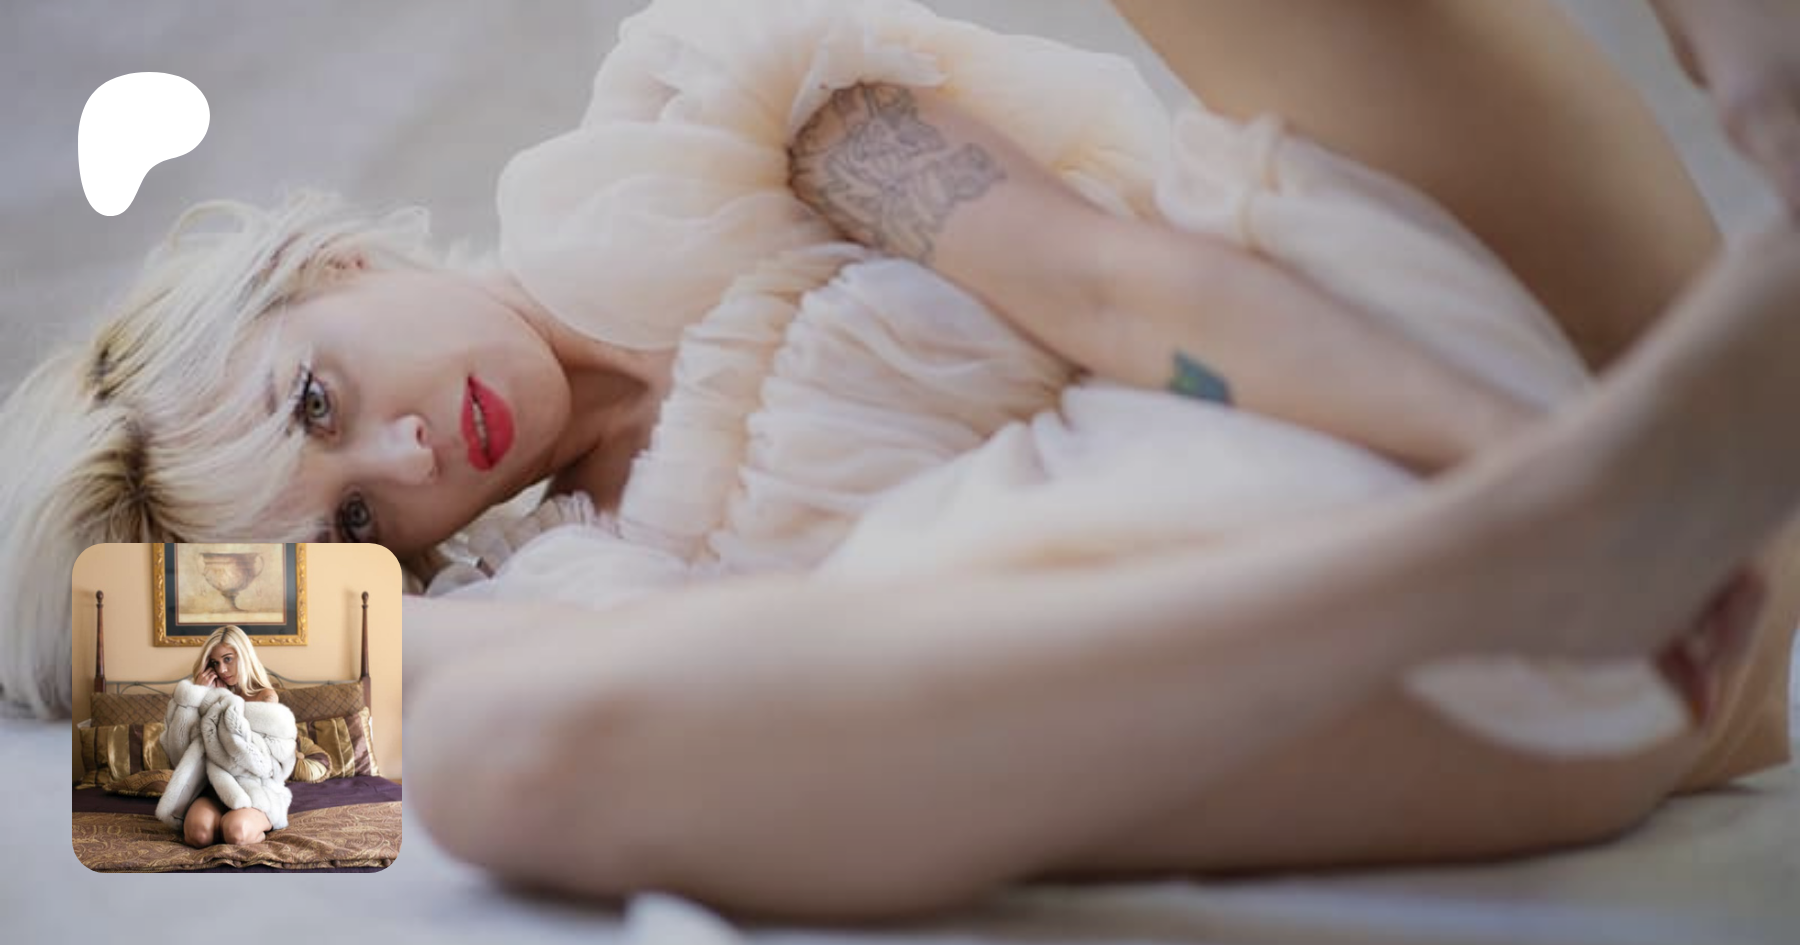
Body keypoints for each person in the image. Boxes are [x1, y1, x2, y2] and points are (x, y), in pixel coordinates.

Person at [0, 0, 1792, 917]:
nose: (405, 455)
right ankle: (1536, 557)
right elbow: (168, 741)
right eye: (356, 527)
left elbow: (1124, 290)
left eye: (319, 400)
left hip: (1462, 377)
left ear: (330, 264)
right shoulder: (566, 592)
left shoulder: (706, 139)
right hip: (1388, 637)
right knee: (495, 765)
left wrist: (1546, 473)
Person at [156, 625, 289, 849]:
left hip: (254, 789)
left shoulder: (265, 697)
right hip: (212, 789)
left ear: (244, 655)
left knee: (236, 833)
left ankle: (251, 827)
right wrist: (200, 695)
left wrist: (226, 708)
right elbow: (179, 752)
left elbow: (262, 763)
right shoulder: (205, 695)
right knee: (198, 834)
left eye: (228, 659)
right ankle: (224, 823)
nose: (222, 669)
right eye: (215, 663)